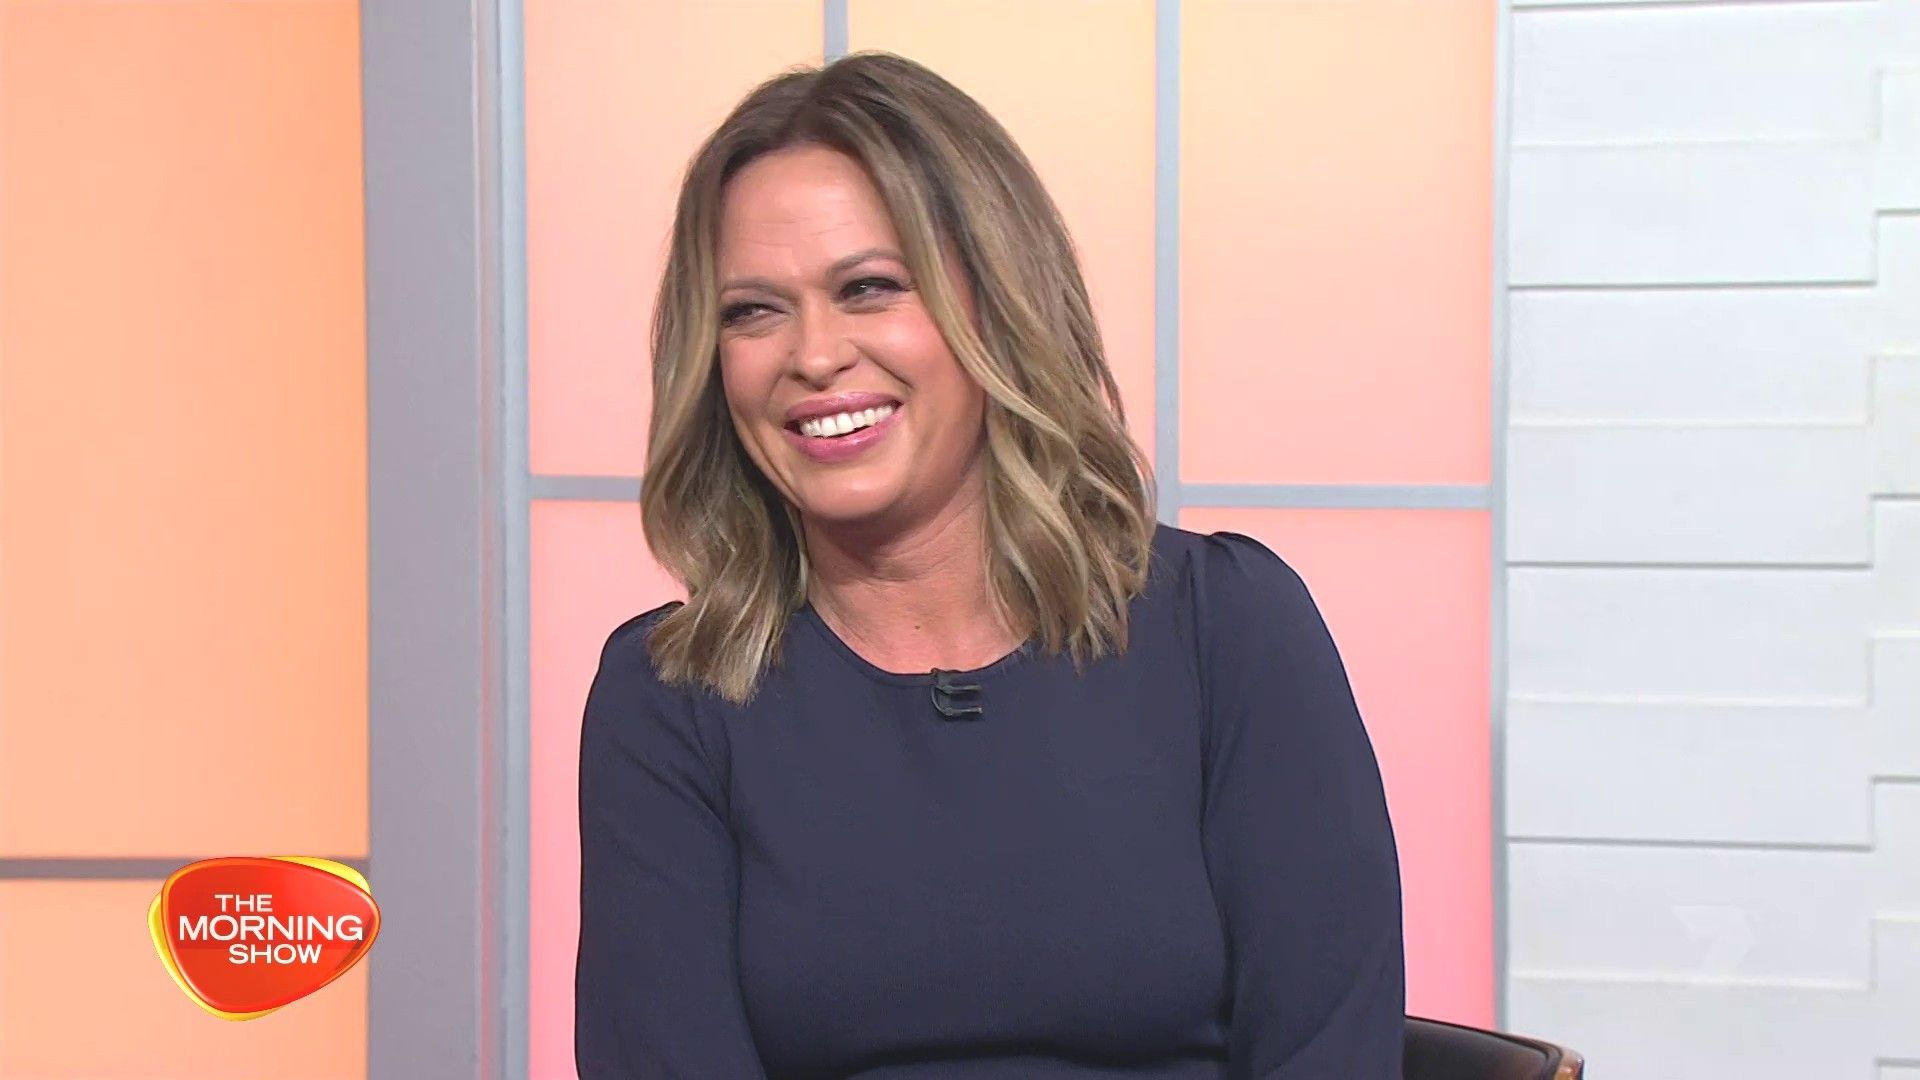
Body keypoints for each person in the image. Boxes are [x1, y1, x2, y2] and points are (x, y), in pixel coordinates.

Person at [575, 51, 1405, 1079]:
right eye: (753, 310)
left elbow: (1330, 1050)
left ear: (997, 306)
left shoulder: (1226, 629)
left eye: (870, 288)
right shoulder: (670, 699)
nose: (814, 355)